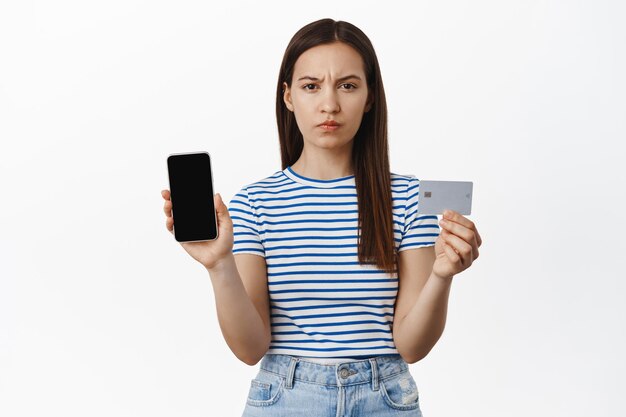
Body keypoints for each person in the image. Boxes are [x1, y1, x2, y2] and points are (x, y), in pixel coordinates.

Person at [161, 17, 482, 417]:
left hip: (385, 399)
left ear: (369, 97)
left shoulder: (408, 198)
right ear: (289, 96)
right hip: (285, 399)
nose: (329, 103)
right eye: (311, 86)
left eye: (347, 85)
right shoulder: (253, 203)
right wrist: (218, 263)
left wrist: (441, 274)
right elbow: (249, 349)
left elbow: (413, 346)